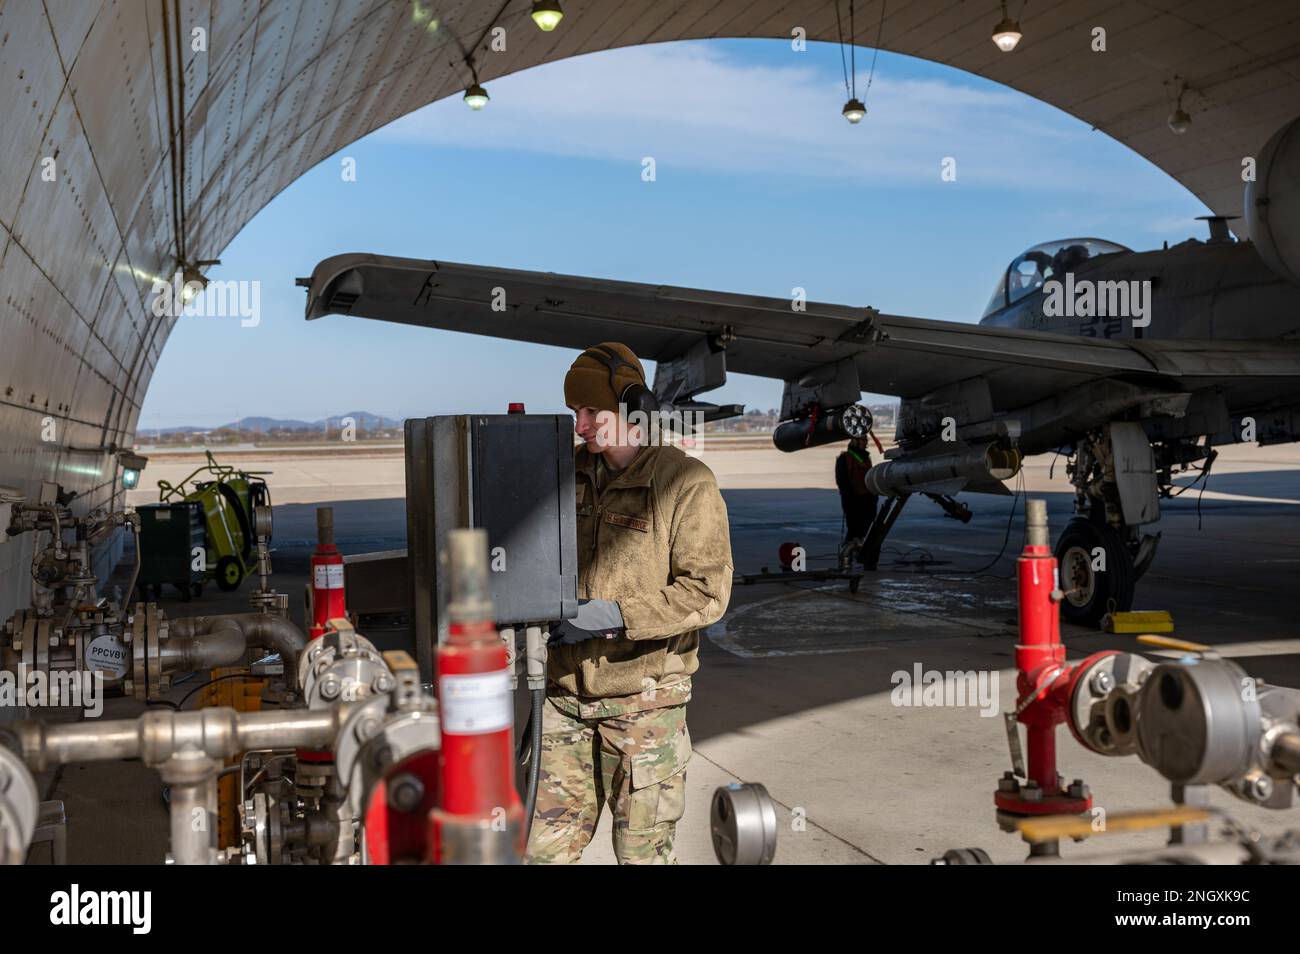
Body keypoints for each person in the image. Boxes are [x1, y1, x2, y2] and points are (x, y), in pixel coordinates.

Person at [524, 341, 733, 865]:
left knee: (643, 858)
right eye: (576, 412)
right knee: (540, 855)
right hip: (562, 702)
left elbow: (708, 593)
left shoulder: (685, 484)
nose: (582, 425)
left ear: (633, 406)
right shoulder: (562, 476)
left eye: (593, 411)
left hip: (645, 710)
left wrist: (613, 616)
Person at [835, 436, 880, 570]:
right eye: (862, 440)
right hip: (853, 502)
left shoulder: (866, 458)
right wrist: (849, 500)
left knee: (870, 532)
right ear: (855, 441)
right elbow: (842, 482)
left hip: (868, 501)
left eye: (866, 440)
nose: (865, 443)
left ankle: (870, 562)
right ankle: (845, 560)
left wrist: (874, 497)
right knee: (854, 532)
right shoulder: (845, 458)